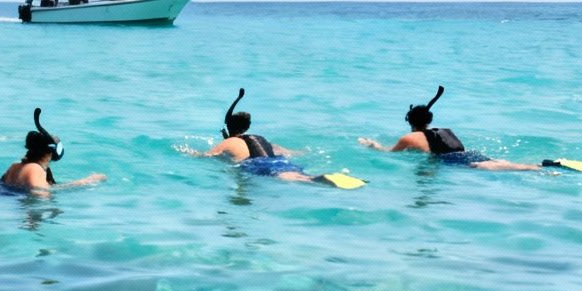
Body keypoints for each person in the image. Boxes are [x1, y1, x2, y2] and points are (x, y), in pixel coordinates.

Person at [358, 85, 544, 171]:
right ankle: (538, 165)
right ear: (429, 120)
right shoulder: (442, 131)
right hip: (469, 154)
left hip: (457, 161)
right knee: (494, 161)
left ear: (411, 122)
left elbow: (390, 153)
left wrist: (373, 146)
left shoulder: (410, 138)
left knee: (487, 167)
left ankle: (535, 169)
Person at [188, 88, 315, 181]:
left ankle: (310, 179)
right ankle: (313, 178)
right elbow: (285, 151)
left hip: (257, 165)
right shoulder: (259, 139)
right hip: (280, 161)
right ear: (247, 127)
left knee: (287, 177)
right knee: (297, 175)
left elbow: (207, 156)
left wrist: (189, 153)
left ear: (228, 128)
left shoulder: (228, 142)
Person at [0, 108, 105, 194]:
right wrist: (86, 182)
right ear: (50, 152)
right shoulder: (35, 169)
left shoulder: (15, 166)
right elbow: (41, 194)